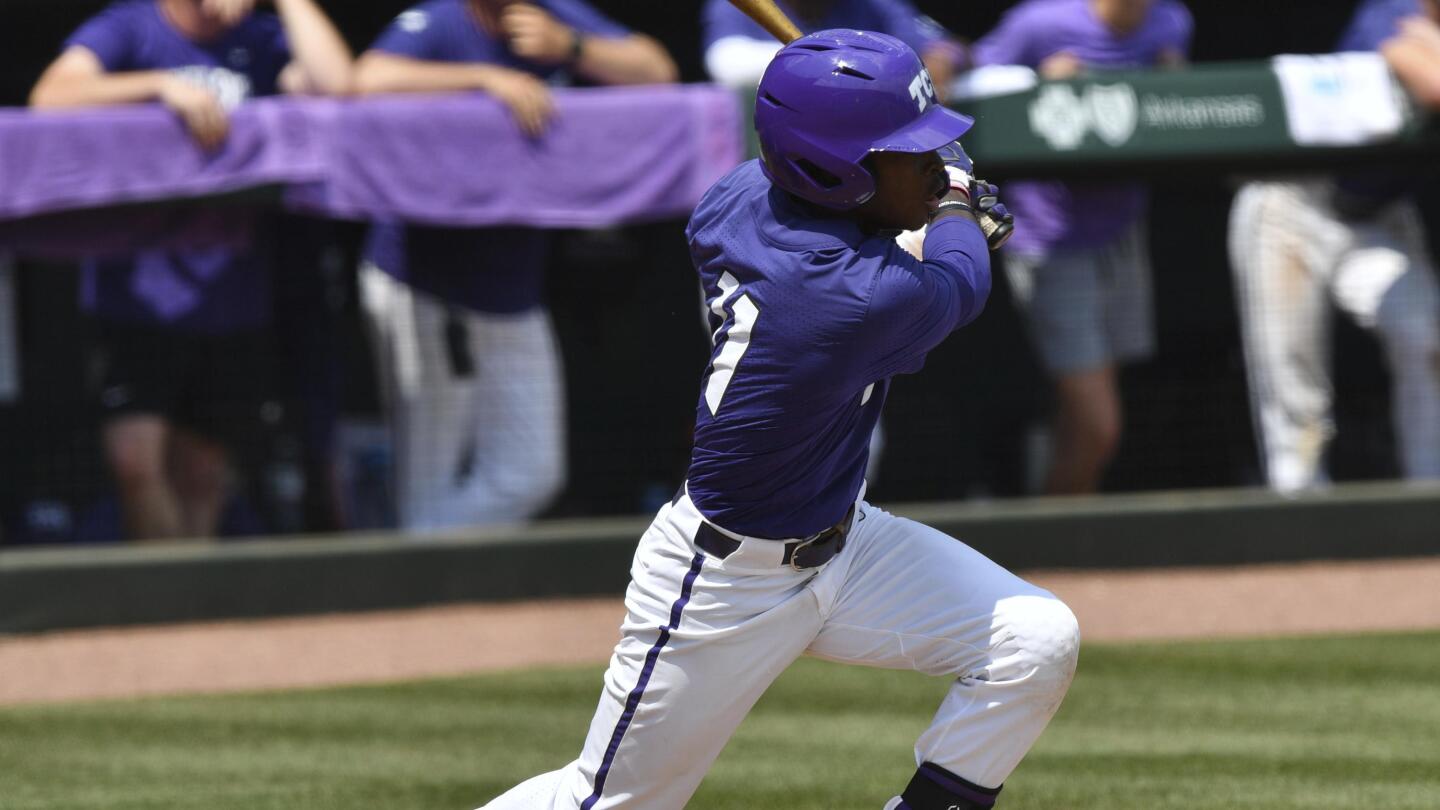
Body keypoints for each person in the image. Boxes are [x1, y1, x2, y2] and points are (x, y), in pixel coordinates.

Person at [477, 30, 1078, 810]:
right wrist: (958, 203)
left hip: (847, 544)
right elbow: (961, 282)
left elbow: (865, 218)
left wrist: (913, 185)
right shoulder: (850, 298)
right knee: (606, 802)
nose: (933, 162)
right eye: (909, 152)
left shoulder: (739, 197)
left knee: (1034, 641)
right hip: (727, 580)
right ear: (832, 173)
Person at [29, 0, 352, 541]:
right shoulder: (130, 27)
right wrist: (159, 86)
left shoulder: (262, 37)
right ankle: (161, 605)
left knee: (202, 477)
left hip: (232, 293)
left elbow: (338, 86)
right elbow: (50, 97)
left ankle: (191, 611)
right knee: (134, 462)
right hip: (138, 292)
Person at [352, 0, 678, 532]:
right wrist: (485, 79)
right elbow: (366, 79)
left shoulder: (552, 14)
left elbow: (657, 71)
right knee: (428, 481)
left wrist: (570, 47)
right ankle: (421, 589)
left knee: (531, 473)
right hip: (424, 277)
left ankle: (412, 565)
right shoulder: (441, 21)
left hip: (511, 281)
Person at [970, 0, 1192, 495]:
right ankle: (1054, 544)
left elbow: (1174, 106)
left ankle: (1063, 543)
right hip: (1051, 236)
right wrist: (1033, 84)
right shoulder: (1040, 23)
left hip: (1122, 231)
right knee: (1099, 426)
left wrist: (1173, 81)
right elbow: (965, 85)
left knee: (1081, 421)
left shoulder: (1170, 22)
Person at [1229, 0, 1440, 492]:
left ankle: (1430, 495)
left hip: (1377, 217)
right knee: (1296, 396)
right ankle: (1300, 528)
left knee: (1428, 340)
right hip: (1294, 203)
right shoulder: (1393, 12)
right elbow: (1431, 86)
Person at [702, 0, 968, 101]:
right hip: (779, 153)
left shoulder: (871, 5)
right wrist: (860, 63)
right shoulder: (735, 6)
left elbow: (949, 45)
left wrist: (943, 57)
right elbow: (727, 62)